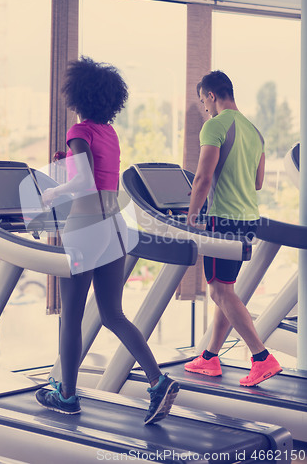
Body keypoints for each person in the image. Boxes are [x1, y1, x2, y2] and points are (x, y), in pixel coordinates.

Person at [35, 56, 179, 423]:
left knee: (72, 317)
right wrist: (67, 162)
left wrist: (53, 194)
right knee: (113, 313)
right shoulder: (108, 133)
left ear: (77, 95)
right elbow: (96, 175)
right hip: (115, 225)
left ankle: (66, 395)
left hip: (86, 227)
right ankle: (158, 380)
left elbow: (82, 184)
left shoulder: (78, 131)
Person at [184, 70, 282, 387]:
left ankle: (261, 357)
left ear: (212, 95)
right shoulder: (254, 131)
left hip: (222, 218)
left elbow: (202, 177)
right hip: (247, 218)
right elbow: (257, 182)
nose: (205, 108)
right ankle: (210, 357)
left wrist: (191, 216)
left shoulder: (215, 125)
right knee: (225, 289)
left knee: (220, 291)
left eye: (203, 101)